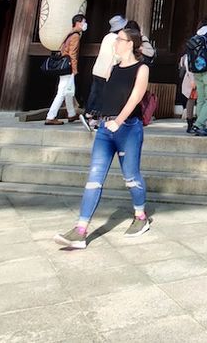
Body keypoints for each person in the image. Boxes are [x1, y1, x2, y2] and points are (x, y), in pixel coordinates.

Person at [54, 26, 153, 249]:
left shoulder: (142, 68)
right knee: (94, 178)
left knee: (131, 176)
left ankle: (140, 216)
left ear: (130, 44)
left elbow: (136, 97)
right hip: (105, 128)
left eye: (119, 40)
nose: (115, 43)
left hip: (128, 127)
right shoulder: (112, 67)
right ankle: (80, 229)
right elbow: (103, 95)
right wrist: (95, 118)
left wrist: (119, 121)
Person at [86, 15, 128, 129]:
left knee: (95, 92)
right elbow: (117, 55)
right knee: (103, 95)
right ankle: (95, 119)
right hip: (107, 71)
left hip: (98, 68)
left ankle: (89, 113)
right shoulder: (117, 39)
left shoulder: (107, 37)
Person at [46, 14, 85, 125]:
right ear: (78, 22)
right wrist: (74, 69)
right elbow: (73, 53)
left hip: (63, 66)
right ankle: (51, 116)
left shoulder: (69, 34)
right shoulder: (76, 36)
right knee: (62, 92)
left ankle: (71, 114)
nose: (84, 24)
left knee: (68, 91)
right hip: (68, 67)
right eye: (83, 22)